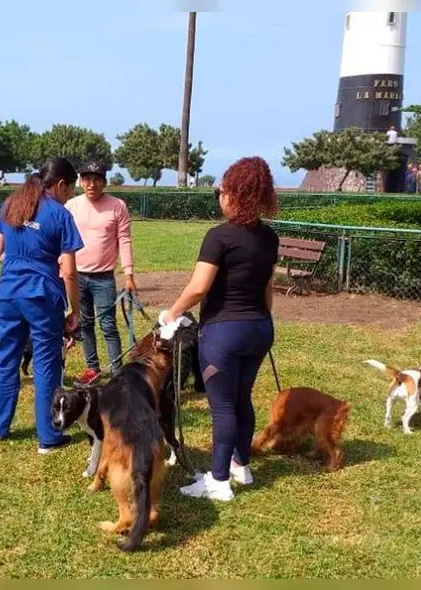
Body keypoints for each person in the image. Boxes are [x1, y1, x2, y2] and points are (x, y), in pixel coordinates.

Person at [158, 156, 280, 502]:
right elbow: (268, 288)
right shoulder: (269, 237)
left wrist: (171, 314)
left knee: (223, 406)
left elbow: (198, 288)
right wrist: (262, 319)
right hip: (259, 327)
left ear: (234, 194)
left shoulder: (219, 237)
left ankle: (219, 480)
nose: (220, 199)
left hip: (224, 332)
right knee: (242, 398)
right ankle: (242, 465)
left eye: (221, 192)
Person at [0, 157, 84, 454]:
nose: (71, 196)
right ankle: (49, 437)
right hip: (42, 295)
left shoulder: (11, 204)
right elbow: (69, 271)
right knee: (45, 364)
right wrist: (75, 311)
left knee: (6, 359)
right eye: (71, 189)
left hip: (8, 292)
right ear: (61, 184)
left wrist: (20, 265)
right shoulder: (60, 215)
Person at [65, 160, 136, 384]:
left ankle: (117, 372)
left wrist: (129, 273)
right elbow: (62, 240)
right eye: (87, 179)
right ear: (81, 182)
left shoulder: (117, 206)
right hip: (76, 276)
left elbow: (124, 240)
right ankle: (92, 368)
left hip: (104, 277)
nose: (91, 184)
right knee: (84, 323)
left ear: (104, 182)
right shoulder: (71, 206)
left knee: (108, 325)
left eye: (96, 180)